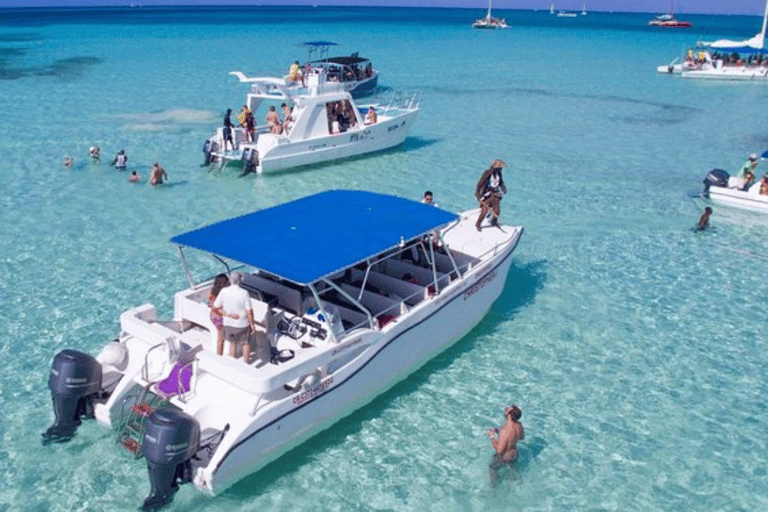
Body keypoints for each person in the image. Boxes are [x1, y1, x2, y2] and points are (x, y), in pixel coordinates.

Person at [213, 271, 256, 362]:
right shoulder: (244, 293)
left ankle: (232, 360)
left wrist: (228, 315)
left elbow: (216, 307)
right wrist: (252, 324)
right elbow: (249, 311)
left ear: (230, 280)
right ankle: (245, 363)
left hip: (228, 324)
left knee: (232, 342)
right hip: (242, 325)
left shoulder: (224, 291)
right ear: (240, 281)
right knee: (246, 343)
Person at [487, 405, 524, 485]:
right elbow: (521, 437)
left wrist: (492, 436)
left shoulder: (505, 431)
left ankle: (494, 488)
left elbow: (499, 450)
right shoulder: (519, 425)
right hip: (514, 455)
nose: (505, 409)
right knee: (514, 474)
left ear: (510, 415)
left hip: (504, 457)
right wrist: (502, 434)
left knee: (492, 467)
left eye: (507, 409)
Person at [475, 159, 508, 231]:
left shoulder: (499, 174)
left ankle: (494, 222)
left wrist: (503, 188)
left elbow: (501, 182)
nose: (501, 169)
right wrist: (478, 195)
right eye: (500, 168)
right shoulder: (487, 173)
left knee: (497, 211)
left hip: (496, 194)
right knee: (485, 210)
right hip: (487, 195)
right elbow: (480, 184)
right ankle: (478, 224)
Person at [208, 273, 230, 356]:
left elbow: (210, 304)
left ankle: (219, 354)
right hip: (221, 318)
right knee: (221, 339)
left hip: (213, 316)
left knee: (220, 336)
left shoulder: (212, 291)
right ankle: (219, 355)